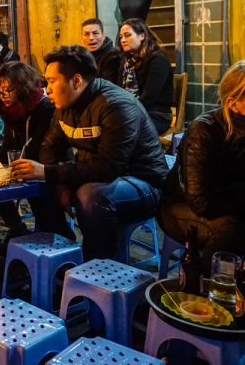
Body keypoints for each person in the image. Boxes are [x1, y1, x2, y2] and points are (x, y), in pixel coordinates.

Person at [159, 59, 245, 338]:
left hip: (244, 211)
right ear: (234, 103)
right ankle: (207, 318)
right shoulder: (206, 130)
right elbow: (202, 201)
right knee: (229, 229)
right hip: (182, 209)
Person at [12, 45, 168, 260]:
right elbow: (49, 146)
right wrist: (58, 183)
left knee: (90, 196)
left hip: (143, 182)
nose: (47, 89)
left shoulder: (116, 106)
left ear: (76, 81)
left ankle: (100, 268)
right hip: (98, 177)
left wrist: (49, 172)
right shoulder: (64, 105)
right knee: (40, 185)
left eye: (51, 81)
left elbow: (109, 167)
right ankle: (62, 256)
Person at [0, 61, 55, 236]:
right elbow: (9, 147)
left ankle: (55, 244)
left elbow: (41, 149)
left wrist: (7, 157)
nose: (3, 95)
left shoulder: (45, 107)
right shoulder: (10, 111)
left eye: (8, 90)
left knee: (49, 220)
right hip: (23, 169)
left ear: (23, 86)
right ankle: (18, 229)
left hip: (46, 171)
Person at [118, 18, 174, 134]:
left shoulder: (158, 59)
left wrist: (126, 113)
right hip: (132, 112)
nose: (123, 40)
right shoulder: (126, 61)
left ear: (142, 36)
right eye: (121, 37)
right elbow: (118, 90)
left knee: (122, 130)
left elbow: (149, 97)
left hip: (157, 114)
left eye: (127, 35)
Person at [81, 18, 121, 84]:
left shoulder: (113, 55)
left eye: (95, 33)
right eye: (86, 34)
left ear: (103, 35)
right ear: (82, 38)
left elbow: (107, 87)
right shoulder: (83, 56)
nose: (91, 38)